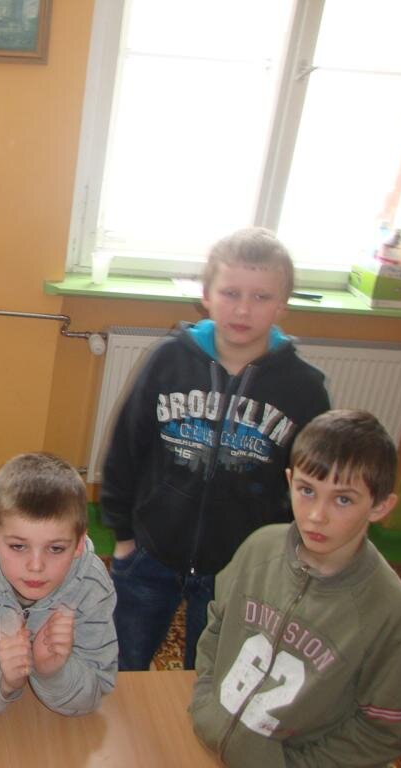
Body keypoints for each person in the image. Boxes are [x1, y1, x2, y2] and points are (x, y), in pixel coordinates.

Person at [101, 227, 331, 670]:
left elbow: (311, 484)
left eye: (261, 297)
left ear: (282, 304)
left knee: (211, 673)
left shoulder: (304, 389)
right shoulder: (167, 361)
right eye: (230, 292)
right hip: (151, 550)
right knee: (121, 665)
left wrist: (288, 559)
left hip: (241, 569)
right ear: (206, 295)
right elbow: (127, 446)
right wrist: (123, 535)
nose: (243, 309)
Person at [189, 409, 401, 766]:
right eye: (307, 490)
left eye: (343, 499)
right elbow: (217, 627)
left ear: (380, 506)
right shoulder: (259, 548)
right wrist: (206, 706)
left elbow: (382, 730)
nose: (317, 515)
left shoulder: (391, 610)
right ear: (290, 481)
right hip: (210, 742)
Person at [0, 453, 118, 721]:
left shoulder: (92, 582)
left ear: (78, 544)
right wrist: (3, 682)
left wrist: (52, 672)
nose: (36, 566)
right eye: (18, 546)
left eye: (56, 548)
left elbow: (98, 688)